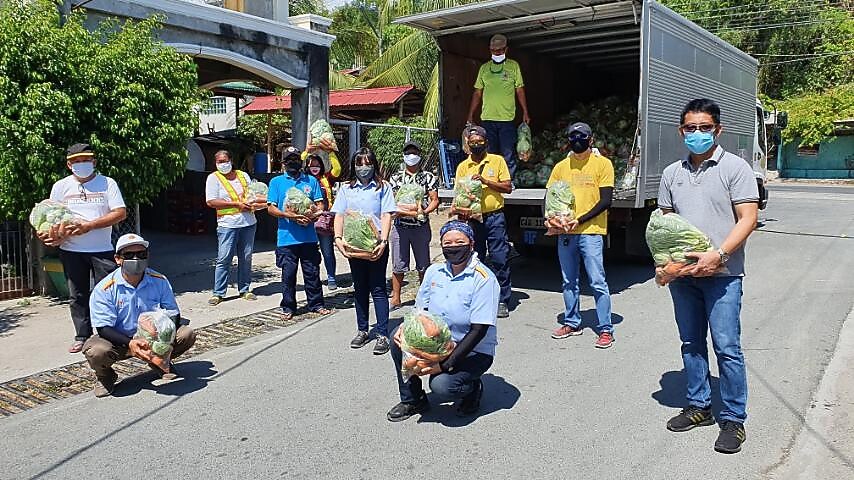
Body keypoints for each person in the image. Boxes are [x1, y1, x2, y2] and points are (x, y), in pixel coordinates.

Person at [657, 99, 759, 454]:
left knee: (727, 347)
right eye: (690, 128)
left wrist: (719, 255)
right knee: (691, 343)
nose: (697, 134)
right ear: (681, 130)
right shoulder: (672, 174)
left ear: (718, 130)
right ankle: (699, 405)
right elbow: (665, 227)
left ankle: (733, 418)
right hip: (685, 277)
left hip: (724, 275)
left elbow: (748, 218)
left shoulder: (736, 168)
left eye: (704, 128)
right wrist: (665, 267)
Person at [387, 221, 499, 422]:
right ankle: (413, 399)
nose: (453, 247)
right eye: (448, 243)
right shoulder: (434, 271)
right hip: (437, 342)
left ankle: (472, 388)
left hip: (473, 350)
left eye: (459, 242)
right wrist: (404, 329)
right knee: (396, 339)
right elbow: (419, 311)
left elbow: (478, 330)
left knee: (442, 385)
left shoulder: (484, 279)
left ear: (471, 244)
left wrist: (444, 365)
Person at [36, 143, 127, 354]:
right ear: (69, 165)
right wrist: (50, 236)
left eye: (86, 160)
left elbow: (120, 213)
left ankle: (113, 333)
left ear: (94, 162)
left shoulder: (107, 183)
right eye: (76, 161)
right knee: (77, 295)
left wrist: (89, 226)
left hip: (102, 249)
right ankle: (82, 335)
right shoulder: (60, 187)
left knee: (109, 293)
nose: (82, 164)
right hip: (71, 250)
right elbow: (50, 217)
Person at [84, 234, 197, 397]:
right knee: (97, 351)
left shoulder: (159, 280)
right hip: (119, 339)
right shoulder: (105, 289)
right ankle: (105, 376)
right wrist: (130, 343)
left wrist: (161, 338)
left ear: (147, 256)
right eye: (129, 255)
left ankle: (160, 361)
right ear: (118, 259)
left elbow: (173, 313)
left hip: (153, 337)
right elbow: (103, 327)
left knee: (186, 334)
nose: (136, 259)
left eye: (141, 254)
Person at [546, 122, 615, 349]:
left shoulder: (602, 164)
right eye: (573, 137)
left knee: (597, 281)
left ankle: (605, 329)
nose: (578, 140)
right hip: (566, 232)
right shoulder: (560, 167)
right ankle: (572, 322)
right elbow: (549, 198)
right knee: (568, 281)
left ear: (591, 139)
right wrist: (550, 219)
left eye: (582, 137)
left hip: (591, 232)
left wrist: (580, 220)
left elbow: (605, 200)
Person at [331, 147, 396, 355]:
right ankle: (362, 329)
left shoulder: (383, 187)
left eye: (367, 163)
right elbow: (339, 215)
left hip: (376, 245)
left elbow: (387, 215)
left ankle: (382, 333)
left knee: (377, 288)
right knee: (359, 288)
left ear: (373, 164)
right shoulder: (346, 189)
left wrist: (383, 241)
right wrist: (338, 239)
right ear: (354, 166)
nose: (363, 167)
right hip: (354, 246)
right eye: (359, 163)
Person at [267, 147, 335, 321]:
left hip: (308, 238)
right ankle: (288, 307)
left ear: (301, 161)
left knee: (312, 273)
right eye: (289, 160)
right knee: (288, 275)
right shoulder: (276, 182)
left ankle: (317, 304)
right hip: (286, 238)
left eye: (295, 159)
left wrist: (312, 216)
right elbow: (271, 208)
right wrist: (287, 215)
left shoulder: (310, 181)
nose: (293, 163)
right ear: (283, 163)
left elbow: (320, 205)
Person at [453, 125, 513, 318]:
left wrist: (486, 182)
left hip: (494, 216)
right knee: (474, 259)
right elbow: (459, 194)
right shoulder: (463, 166)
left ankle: (502, 299)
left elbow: (507, 187)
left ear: (486, 142)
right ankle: (478, 297)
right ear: (468, 145)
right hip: (472, 219)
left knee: (499, 257)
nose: (476, 145)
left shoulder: (497, 161)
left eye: (479, 142)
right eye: (472, 143)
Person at [466, 33, 530, 177]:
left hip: (507, 119)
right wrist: (471, 114)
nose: (497, 53)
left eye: (500, 50)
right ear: (490, 50)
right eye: (494, 50)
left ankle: (509, 180)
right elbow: (477, 93)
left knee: (508, 152)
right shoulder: (484, 68)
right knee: (489, 153)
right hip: (487, 118)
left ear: (506, 49)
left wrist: (525, 111)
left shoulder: (513, 66)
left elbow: (519, 89)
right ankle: (491, 178)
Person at [205, 150, 262, 306]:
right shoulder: (213, 178)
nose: (223, 164)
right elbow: (211, 201)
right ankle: (218, 293)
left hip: (248, 223)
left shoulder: (243, 176)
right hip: (227, 224)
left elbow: (252, 194)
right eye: (219, 162)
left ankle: (244, 289)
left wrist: (255, 203)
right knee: (224, 258)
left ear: (231, 160)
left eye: (225, 160)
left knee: (246, 258)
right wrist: (236, 204)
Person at [387, 140, 440, 309]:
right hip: (400, 226)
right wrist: (410, 210)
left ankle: (424, 296)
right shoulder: (395, 178)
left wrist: (423, 212)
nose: (412, 156)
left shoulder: (428, 177)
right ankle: (396, 297)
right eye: (408, 153)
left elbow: (434, 200)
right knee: (398, 264)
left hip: (420, 227)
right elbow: (393, 202)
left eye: (415, 153)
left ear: (419, 156)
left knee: (423, 263)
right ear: (403, 156)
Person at [303, 144, 342, 291]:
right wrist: (307, 151)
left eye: (317, 165)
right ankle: (314, 279)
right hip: (308, 221)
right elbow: (299, 162)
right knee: (310, 252)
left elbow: (337, 169)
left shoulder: (326, 178)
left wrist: (330, 151)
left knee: (327, 251)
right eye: (311, 165)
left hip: (324, 221)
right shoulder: (303, 179)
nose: (314, 167)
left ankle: (331, 277)